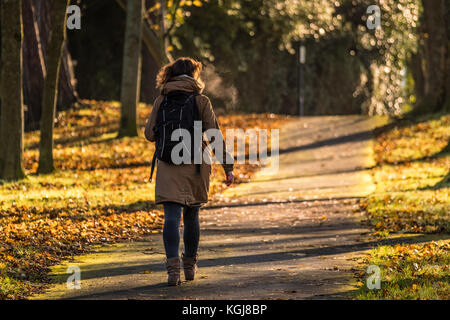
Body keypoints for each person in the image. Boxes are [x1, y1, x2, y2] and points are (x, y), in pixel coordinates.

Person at [144, 57, 234, 286]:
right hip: (196, 164)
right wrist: (228, 167)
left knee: (172, 216)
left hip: (168, 163)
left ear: (171, 74)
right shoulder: (201, 100)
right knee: (192, 214)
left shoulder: (161, 99)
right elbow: (213, 135)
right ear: (194, 75)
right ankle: (190, 267)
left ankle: (172, 271)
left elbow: (149, 134)